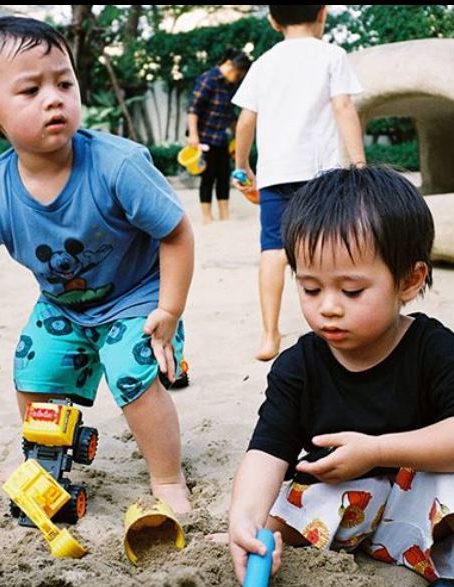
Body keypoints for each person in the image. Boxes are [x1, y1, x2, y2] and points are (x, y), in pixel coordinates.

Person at [0, 17, 194, 513]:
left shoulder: (117, 165)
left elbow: (175, 232)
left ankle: (167, 477)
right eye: (30, 90)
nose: (54, 99)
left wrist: (169, 310)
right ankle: (43, 460)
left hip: (137, 297)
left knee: (130, 374)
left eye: (64, 83)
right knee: (33, 370)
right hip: (63, 305)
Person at [227, 166, 454, 585]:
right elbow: (267, 452)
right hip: (340, 510)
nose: (328, 307)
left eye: (351, 291)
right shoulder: (298, 366)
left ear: (409, 281)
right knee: (286, 505)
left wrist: (376, 450)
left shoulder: (434, 349)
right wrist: (243, 519)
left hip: (421, 504)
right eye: (311, 289)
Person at [231, 5, 366, 361]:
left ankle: (268, 334)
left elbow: (246, 121)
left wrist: (242, 166)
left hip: (276, 173)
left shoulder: (264, 63)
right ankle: (335, 320)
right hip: (322, 174)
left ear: (273, 20)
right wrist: (360, 165)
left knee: (273, 251)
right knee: (330, 246)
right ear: (323, 13)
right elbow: (344, 108)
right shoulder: (332, 55)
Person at [187, 49, 251, 224]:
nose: (238, 78)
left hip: (221, 138)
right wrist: (193, 135)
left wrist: (239, 136)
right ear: (230, 65)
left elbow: (229, 116)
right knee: (208, 177)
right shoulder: (208, 79)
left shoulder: (230, 86)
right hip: (204, 139)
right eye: (238, 73)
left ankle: (224, 214)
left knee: (223, 176)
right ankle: (207, 217)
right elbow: (193, 108)